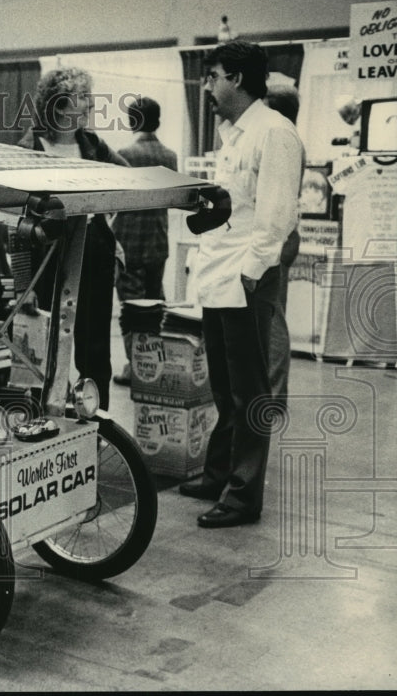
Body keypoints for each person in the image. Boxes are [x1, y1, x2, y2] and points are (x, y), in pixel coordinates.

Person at [179, 42, 303, 528]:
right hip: (220, 276)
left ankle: (243, 495)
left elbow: (275, 220)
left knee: (250, 393)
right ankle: (219, 473)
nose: (207, 86)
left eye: (212, 76)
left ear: (236, 77)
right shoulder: (234, 134)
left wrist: (249, 279)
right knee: (224, 384)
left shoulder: (275, 133)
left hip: (247, 280)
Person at [18, 66, 130, 410]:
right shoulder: (30, 147)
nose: (89, 104)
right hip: (47, 253)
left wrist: (110, 235)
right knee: (46, 351)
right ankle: (46, 424)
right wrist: (22, 285)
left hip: (94, 250)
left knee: (95, 349)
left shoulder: (93, 145)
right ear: (59, 104)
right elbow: (14, 221)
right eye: (82, 97)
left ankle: (99, 426)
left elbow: (130, 183)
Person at [112, 96, 179, 386]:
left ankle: (135, 366)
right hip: (158, 240)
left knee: (131, 305)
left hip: (128, 242)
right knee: (154, 304)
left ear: (131, 121)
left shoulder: (123, 154)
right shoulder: (170, 156)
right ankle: (154, 362)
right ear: (158, 121)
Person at [264, 84, 304, 404]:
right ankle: (274, 392)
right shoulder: (291, 138)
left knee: (273, 319)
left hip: (279, 236)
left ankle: (274, 395)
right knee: (273, 315)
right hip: (286, 236)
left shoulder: (282, 140)